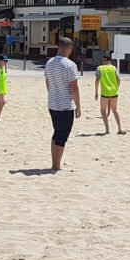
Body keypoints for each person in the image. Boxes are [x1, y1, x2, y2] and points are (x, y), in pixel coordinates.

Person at [44, 37, 83, 171]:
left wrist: (52, 94)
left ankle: (55, 163)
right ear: (69, 49)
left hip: (52, 103)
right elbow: (74, 88)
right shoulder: (70, 65)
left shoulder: (49, 63)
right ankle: (56, 166)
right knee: (61, 136)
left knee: (57, 133)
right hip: (65, 105)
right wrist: (78, 106)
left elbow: (48, 82)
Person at [94, 54, 125, 135]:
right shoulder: (113, 68)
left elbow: (97, 80)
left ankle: (107, 130)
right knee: (115, 110)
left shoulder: (99, 68)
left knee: (103, 111)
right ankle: (119, 129)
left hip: (105, 92)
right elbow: (119, 79)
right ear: (110, 61)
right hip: (114, 92)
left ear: (103, 61)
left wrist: (96, 92)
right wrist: (116, 88)